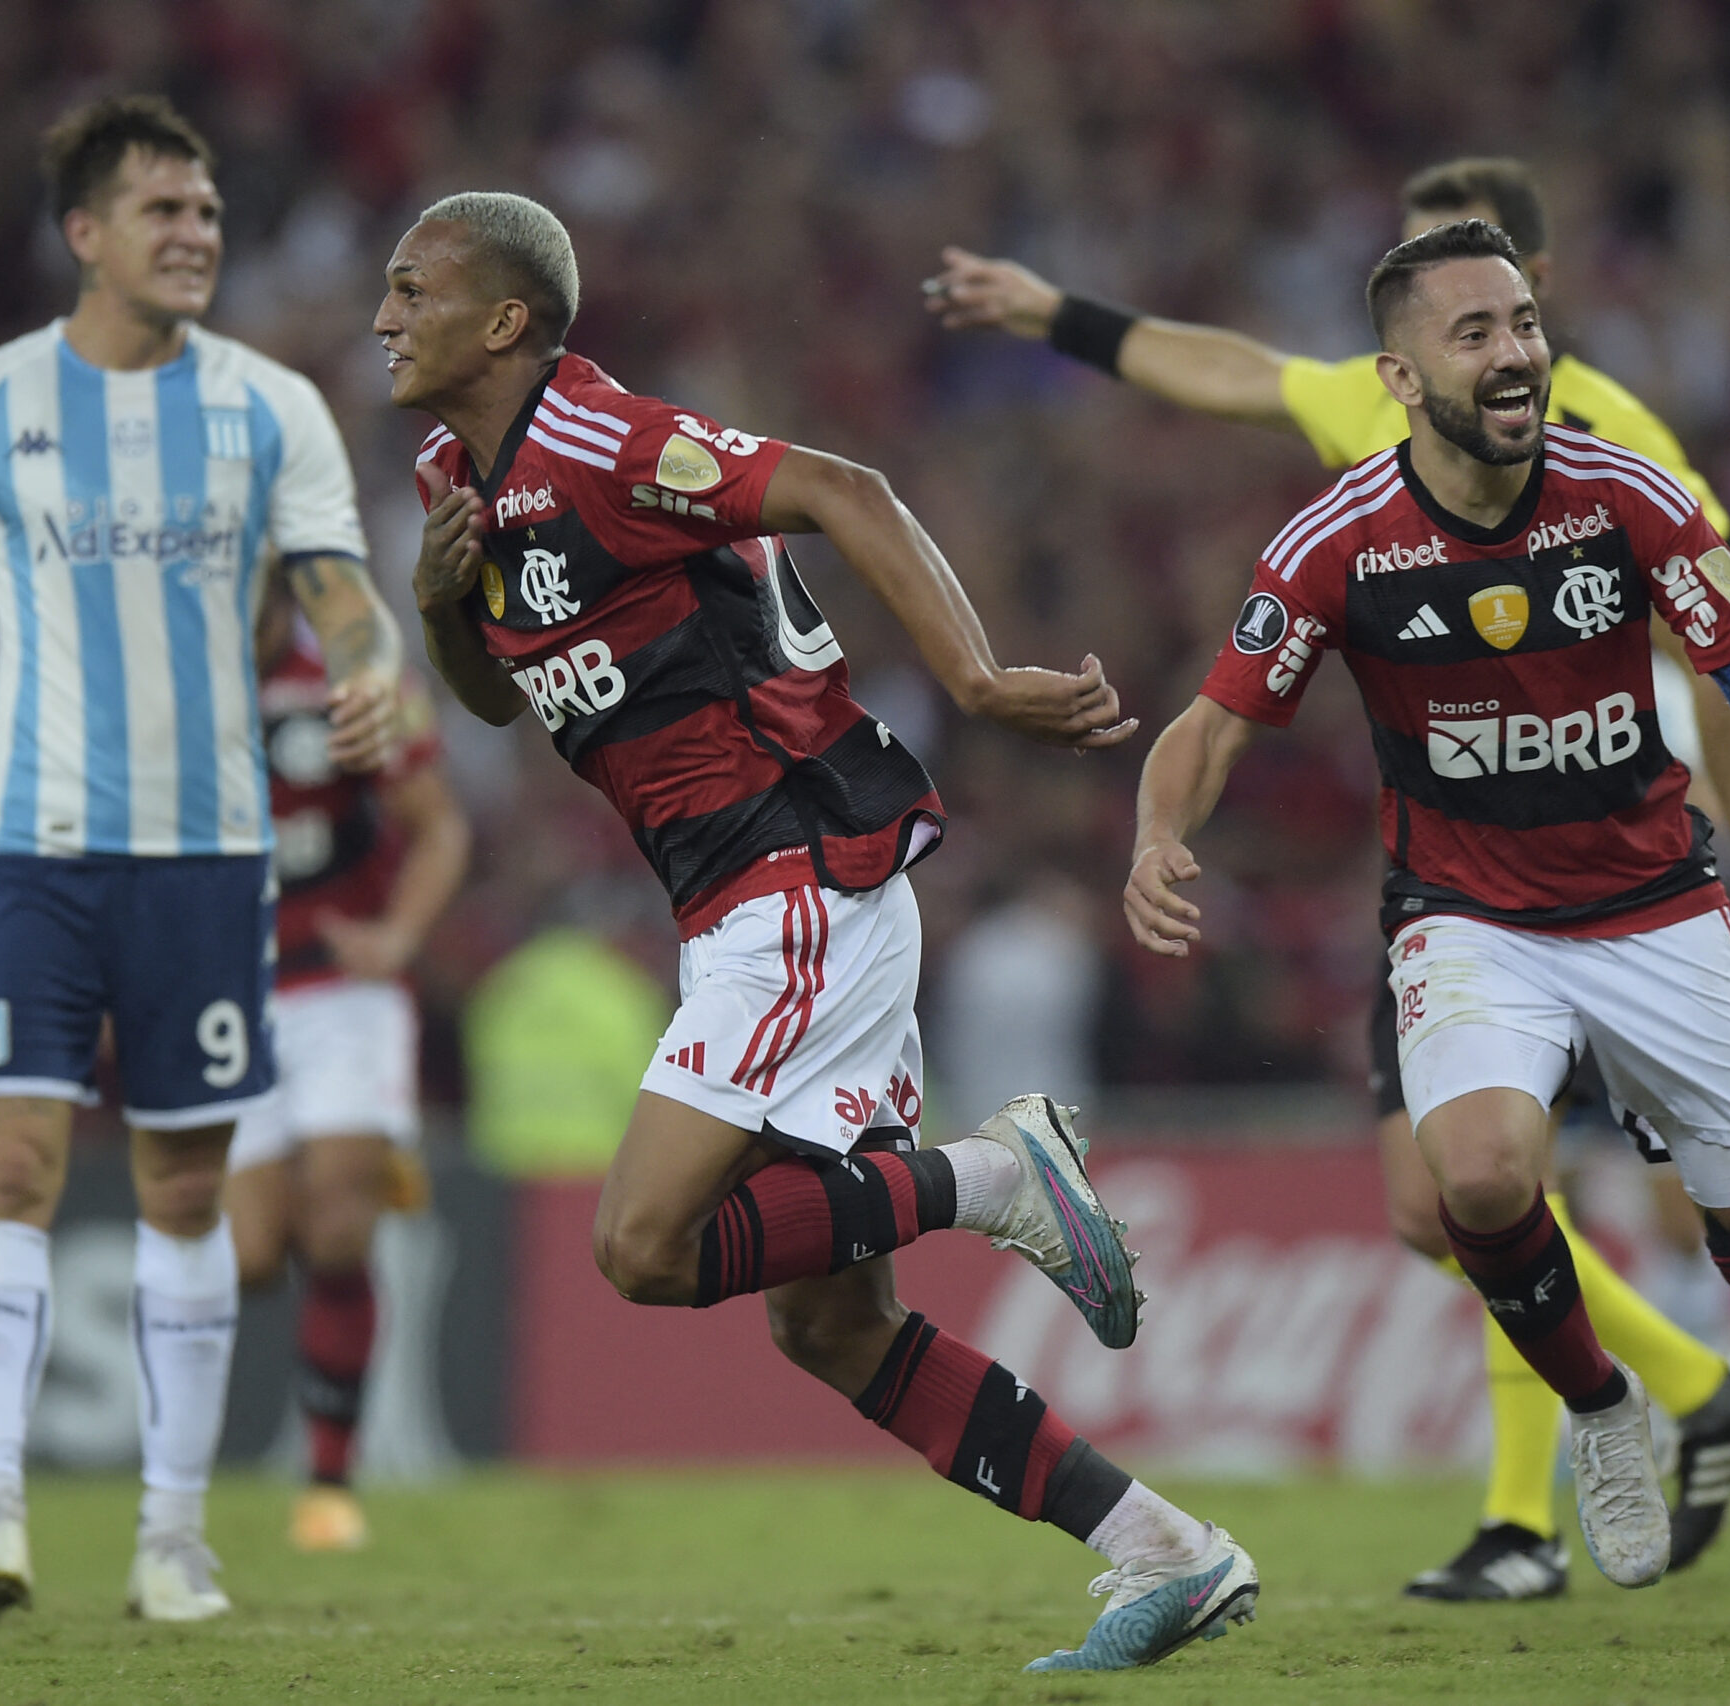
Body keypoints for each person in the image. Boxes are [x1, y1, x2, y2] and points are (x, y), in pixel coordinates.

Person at [380, 189, 1255, 1674]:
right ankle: (1164, 1547)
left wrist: (974, 683)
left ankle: (993, 1172)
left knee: (644, 1246)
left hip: (793, 882)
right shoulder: (457, 471)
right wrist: (438, 600)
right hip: (739, 901)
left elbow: (846, 486)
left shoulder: (608, 444)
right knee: (833, 1332)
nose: (385, 315)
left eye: (413, 290)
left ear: (505, 319)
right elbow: (489, 693)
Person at [929, 156, 1730, 1601]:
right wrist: (1056, 315)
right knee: (1459, 1191)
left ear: (1525, 304)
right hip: (1464, 868)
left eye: (1469, 301)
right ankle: (1650, 1408)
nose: (1405, 342)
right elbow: (1232, 371)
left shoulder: (1622, 447)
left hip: (1630, 866)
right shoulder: (1384, 401)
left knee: (1499, 1185)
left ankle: (1556, 1494)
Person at [1124, 218, 1730, 1649]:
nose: (1517, 352)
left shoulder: (1624, 495)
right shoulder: (1338, 542)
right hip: (1469, 916)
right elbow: (1212, 722)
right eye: (1477, 333)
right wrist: (1157, 836)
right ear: (1400, 377)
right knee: (1478, 1174)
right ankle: (1602, 1404)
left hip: (1658, 908)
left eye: (1523, 322)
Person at [0, 95, 404, 1623]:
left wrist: (369, 666)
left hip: (209, 859)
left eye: (211, 212)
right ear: (86, 232)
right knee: (16, 1169)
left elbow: (341, 592)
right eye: (165, 210)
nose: (197, 235)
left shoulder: (271, 407)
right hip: (31, 850)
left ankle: (173, 1536)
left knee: (184, 1194)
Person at [224, 575, 469, 1553]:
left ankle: (328, 1481)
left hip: (341, 983)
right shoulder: (165, 694)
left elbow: (440, 824)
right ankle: (364, 1163)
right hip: (232, 996)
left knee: (333, 1228)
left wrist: (399, 933)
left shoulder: (352, 683)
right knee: (246, 1255)